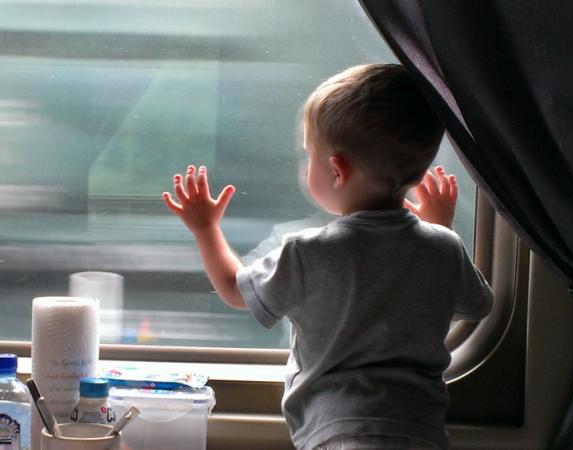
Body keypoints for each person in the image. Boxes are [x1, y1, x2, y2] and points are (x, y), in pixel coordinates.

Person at [161, 64, 493, 450]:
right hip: (420, 430)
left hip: (337, 430)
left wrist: (205, 228)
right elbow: (478, 305)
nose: (305, 166)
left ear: (337, 172)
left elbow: (236, 291)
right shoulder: (443, 247)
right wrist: (439, 228)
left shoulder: (308, 251)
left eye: (309, 155)